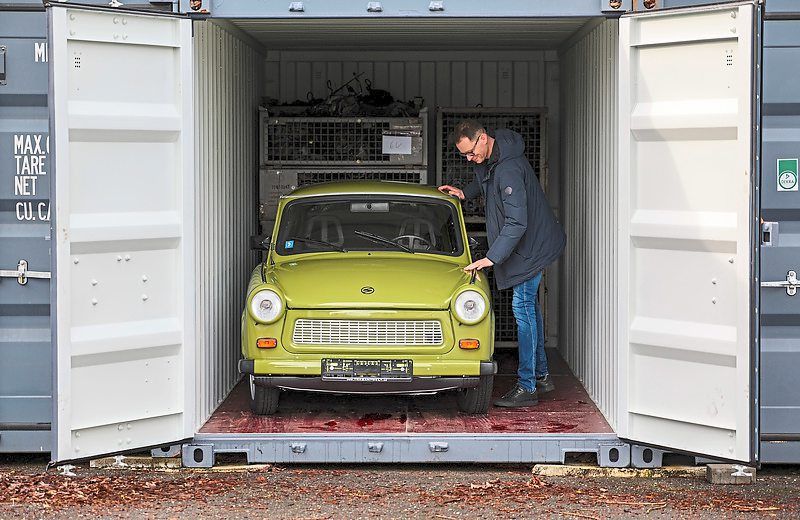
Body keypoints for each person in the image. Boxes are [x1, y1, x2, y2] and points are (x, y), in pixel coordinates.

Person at [438, 120, 566, 407]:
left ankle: (527, 387)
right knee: (530, 308)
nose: (470, 159)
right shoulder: (492, 160)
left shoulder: (508, 168)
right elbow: (484, 180)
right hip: (525, 246)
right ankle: (542, 375)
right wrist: (465, 193)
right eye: (465, 156)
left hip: (532, 247)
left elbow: (517, 222)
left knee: (522, 309)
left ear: (482, 138)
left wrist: (490, 257)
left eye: (471, 152)